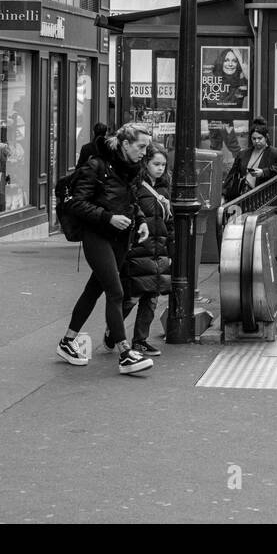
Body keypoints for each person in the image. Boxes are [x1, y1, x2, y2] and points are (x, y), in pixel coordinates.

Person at [57, 122, 155, 375]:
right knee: (115, 291)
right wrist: (107, 218)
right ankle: (125, 353)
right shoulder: (96, 165)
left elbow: (132, 200)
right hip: (97, 235)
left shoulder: (133, 168)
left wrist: (141, 221)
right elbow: (76, 203)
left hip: (121, 236)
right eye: (140, 146)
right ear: (125, 144)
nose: (144, 152)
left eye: (146, 147)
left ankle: (68, 341)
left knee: (94, 289)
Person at [117, 143, 175, 357]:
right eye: (155, 164)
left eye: (163, 164)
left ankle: (140, 341)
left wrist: (170, 246)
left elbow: (168, 222)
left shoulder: (163, 188)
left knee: (151, 297)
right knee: (132, 296)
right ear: (145, 164)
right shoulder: (136, 187)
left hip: (158, 249)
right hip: (139, 248)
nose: (160, 168)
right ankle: (113, 330)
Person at [222, 118, 277, 201]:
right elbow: (232, 175)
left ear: (266, 137)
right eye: (254, 139)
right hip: (243, 195)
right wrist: (223, 195)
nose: (257, 141)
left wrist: (263, 172)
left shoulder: (276, 153)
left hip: (264, 198)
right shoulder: (243, 154)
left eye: (259, 138)